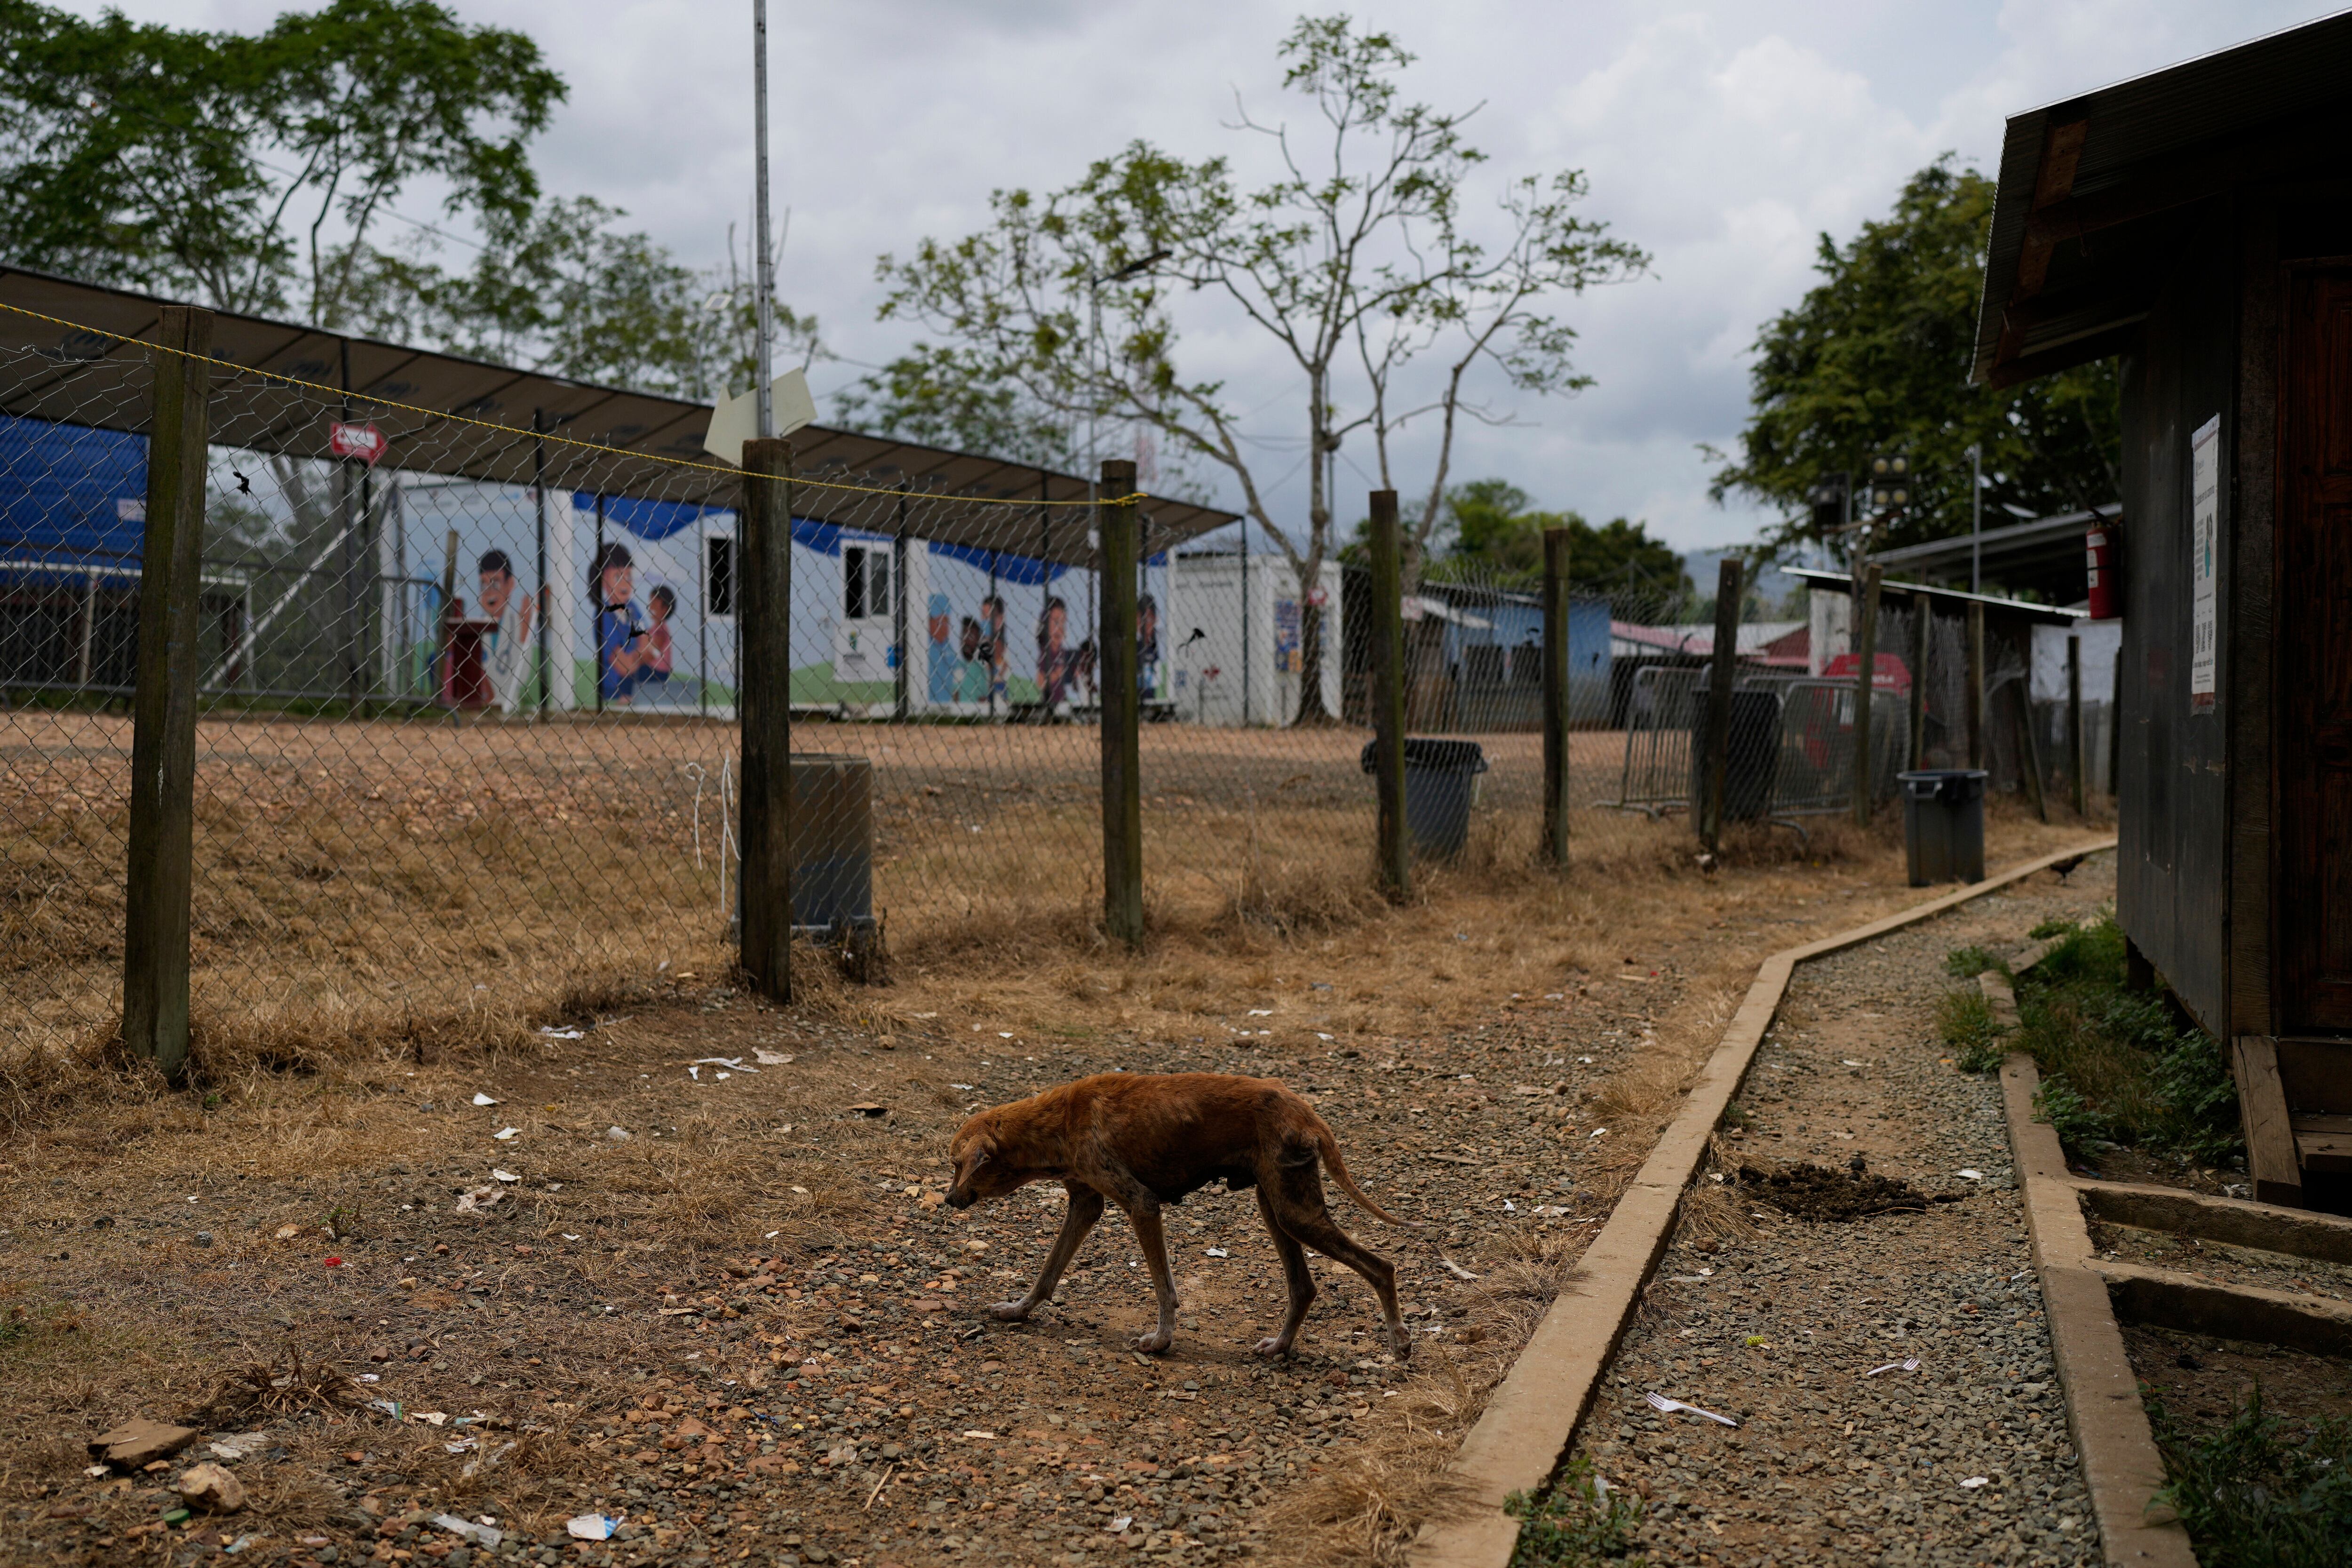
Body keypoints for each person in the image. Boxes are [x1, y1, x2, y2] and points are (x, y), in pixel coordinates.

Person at [590, 541, 655, 705]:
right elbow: (623, 666)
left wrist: (636, 657)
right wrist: (641, 655)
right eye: (618, 577)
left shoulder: (632, 609)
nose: (625, 583)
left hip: (636, 688)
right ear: (603, 580)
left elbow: (649, 647)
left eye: (629, 577)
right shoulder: (603, 616)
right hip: (613, 692)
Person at [476, 549, 535, 713]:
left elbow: (521, 677)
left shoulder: (519, 625)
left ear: (510, 585)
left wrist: (524, 635)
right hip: (480, 707)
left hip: (509, 706)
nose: (489, 592)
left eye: (496, 583)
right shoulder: (473, 629)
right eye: (484, 584)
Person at [1036, 594, 1081, 710]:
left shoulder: (1065, 653)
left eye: (1063, 622)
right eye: (1056, 622)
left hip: (1064, 702)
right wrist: (1059, 672)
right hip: (1050, 704)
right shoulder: (1046, 653)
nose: (1060, 628)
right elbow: (1041, 683)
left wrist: (1076, 674)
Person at [640, 583, 677, 692]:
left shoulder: (661, 631)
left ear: (665, 609)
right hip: (650, 669)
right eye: (650, 602)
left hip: (657, 672)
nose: (650, 607)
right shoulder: (653, 629)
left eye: (654, 603)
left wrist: (634, 662)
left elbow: (653, 653)